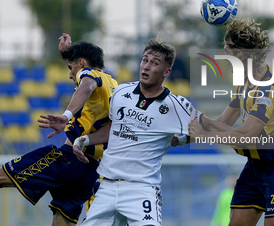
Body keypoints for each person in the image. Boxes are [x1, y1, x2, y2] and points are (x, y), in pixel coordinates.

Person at [189, 18, 274, 226]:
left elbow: (247, 134)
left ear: (240, 53)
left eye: (227, 51)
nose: (224, 57)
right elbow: (222, 121)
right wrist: (193, 125)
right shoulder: (242, 83)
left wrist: (205, 134)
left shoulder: (271, 83)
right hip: (255, 165)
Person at [0, 33, 118, 226]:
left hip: (69, 160)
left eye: (71, 67)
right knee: (63, 220)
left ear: (81, 63)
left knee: (3, 176)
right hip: (90, 169)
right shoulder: (113, 84)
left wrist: (67, 116)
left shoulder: (88, 76)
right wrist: (66, 56)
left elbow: (85, 85)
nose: (71, 74)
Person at [72, 38, 191, 226]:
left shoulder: (176, 105)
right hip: (108, 185)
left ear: (166, 72)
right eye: (145, 60)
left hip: (142, 188)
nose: (146, 66)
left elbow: (202, 130)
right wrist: (85, 139)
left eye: (155, 63)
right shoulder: (120, 92)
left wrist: (179, 139)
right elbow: (113, 128)